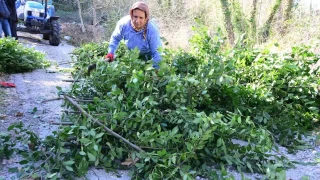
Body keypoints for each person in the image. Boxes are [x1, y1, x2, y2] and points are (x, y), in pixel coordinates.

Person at [106, 1, 162, 68]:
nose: (137, 21)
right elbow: (115, 38)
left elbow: (157, 53)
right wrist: (111, 52)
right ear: (131, 15)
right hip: (132, 57)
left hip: (149, 58)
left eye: (141, 18)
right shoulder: (124, 24)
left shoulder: (152, 30)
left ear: (145, 18)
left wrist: (155, 70)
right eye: (135, 16)